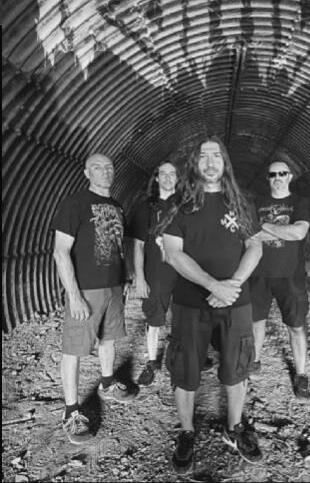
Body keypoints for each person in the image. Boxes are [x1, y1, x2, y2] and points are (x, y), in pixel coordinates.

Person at [161, 135, 263, 475]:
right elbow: (173, 253)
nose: (209, 162)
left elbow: (255, 246)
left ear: (225, 162)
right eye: (203, 156)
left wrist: (232, 285)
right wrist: (211, 284)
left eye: (216, 155)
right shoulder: (180, 204)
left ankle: (234, 427)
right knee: (185, 368)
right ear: (194, 164)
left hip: (236, 301)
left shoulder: (242, 202)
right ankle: (187, 433)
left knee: (237, 366)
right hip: (191, 302)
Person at [52, 153, 136, 445]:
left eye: (109, 167)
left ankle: (107, 383)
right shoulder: (74, 204)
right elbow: (60, 252)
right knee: (74, 349)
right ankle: (71, 412)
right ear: (87, 173)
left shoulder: (117, 206)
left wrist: (124, 280)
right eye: (97, 167)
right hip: (86, 290)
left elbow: (119, 246)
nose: (105, 171)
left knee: (109, 339)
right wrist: (74, 296)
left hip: (113, 287)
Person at [250, 160, 310, 400]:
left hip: (291, 275)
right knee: (256, 321)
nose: (277, 178)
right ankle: (254, 361)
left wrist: (264, 225)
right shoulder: (256, 203)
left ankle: (301, 374)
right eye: (272, 174)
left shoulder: (300, 202)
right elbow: (249, 235)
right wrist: (283, 231)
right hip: (259, 273)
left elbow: (299, 232)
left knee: (296, 325)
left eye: (282, 173)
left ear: (289, 176)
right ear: (268, 178)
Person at [129, 160, 178, 386]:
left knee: (186, 315)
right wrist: (140, 277)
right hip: (156, 272)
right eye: (163, 174)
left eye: (172, 174)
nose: (167, 177)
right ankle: (151, 362)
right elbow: (138, 245)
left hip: (182, 272)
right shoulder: (146, 208)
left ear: (177, 178)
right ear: (157, 178)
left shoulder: (185, 206)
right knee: (155, 317)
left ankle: (185, 356)